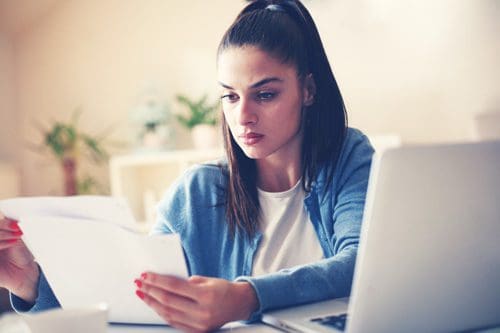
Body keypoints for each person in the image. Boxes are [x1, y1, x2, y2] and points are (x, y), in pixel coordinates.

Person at [0, 0, 374, 331]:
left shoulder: (349, 157)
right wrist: (29, 283)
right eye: (229, 95)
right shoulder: (197, 193)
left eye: (265, 94)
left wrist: (246, 297)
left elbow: (362, 264)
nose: (242, 116)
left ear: (308, 90)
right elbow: (136, 305)